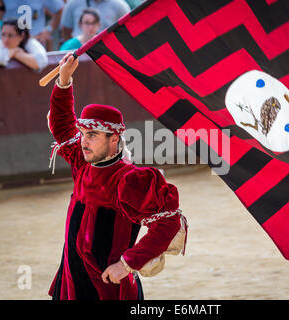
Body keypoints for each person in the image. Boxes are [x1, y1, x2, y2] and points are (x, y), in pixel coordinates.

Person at [46, 52, 187, 300]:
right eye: (84, 133)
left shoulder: (130, 179)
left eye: (92, 135)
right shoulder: (82, 162)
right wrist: (64, 81)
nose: (83, 141)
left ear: (114, 139)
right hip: (72, 279)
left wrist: (127, 264)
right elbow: (62, 125)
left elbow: (169, 222)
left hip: (108, 286)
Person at [60, 0, 130, 41]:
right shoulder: (73, 3)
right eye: (87, 23)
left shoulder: (120, 5)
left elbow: (128, 31)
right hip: (78, 52)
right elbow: (66, 29)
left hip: (107, 53)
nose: (91, 27)